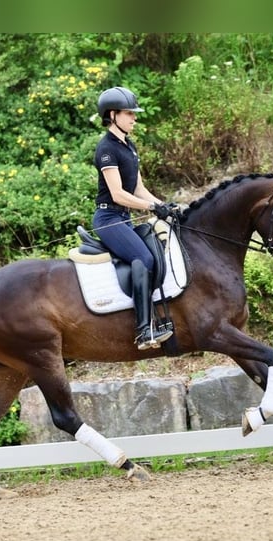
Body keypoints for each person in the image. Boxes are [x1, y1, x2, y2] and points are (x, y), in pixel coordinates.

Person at [92, 86, 174, 350]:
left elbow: (137, 189)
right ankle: (143, 330)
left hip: (124, 218)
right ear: (112, 115)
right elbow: (118, 194)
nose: (134, 118)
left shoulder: (130, 145)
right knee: (144, 258)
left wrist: (164, 206)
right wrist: (151, 206)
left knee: (156, 250)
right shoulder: (106, 149)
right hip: (108, 219)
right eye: (129, 114)